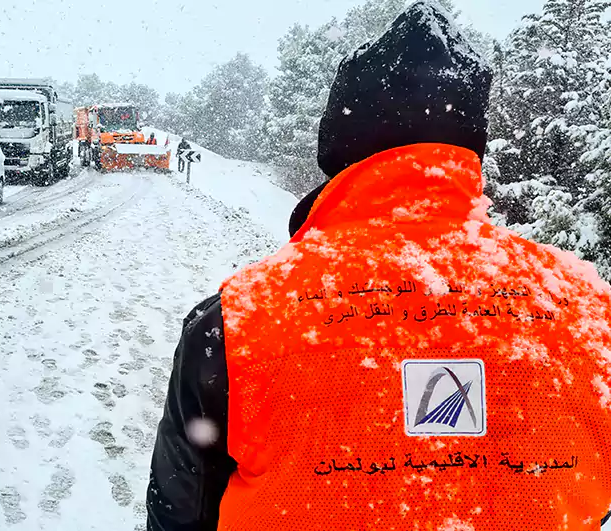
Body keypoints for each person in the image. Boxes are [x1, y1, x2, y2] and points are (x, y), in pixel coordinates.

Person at [145, 2, 611, 530]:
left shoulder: (237, 322)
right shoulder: (592, 311)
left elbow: (181, 513)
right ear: (471, 143)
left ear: (339, 146)